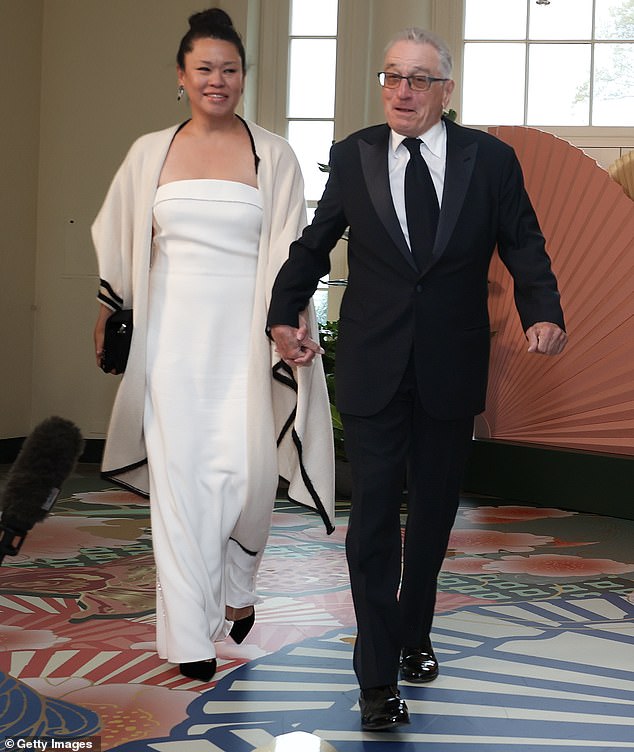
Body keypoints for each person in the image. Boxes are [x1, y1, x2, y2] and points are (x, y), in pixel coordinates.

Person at [267, 27, 567, 729]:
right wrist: (285, 311)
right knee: (371, 521)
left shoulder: (490, 161)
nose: (402, 91)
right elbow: (316, 243)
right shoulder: (356, 154)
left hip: (450, 365)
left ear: (445, 90)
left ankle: (416, 630)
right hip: (373, 365)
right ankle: (375, 679)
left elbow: (523, 241)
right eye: (392, 77)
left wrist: (542, 311)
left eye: (419, 79)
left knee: (431, 517)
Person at [92, 7, 334, 684]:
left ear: (244, 78)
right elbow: (118, 237)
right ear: (181, 75)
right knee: (181, 488)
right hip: (170, 341)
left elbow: (293, 248)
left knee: (250, 477)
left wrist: (289, 324)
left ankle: (239, 584)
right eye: (204, 69)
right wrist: (111, 308)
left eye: (230, 69)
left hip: (246, 336)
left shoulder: (274, 153)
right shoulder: (149, 153)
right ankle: (188, 634)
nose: (217, 80)